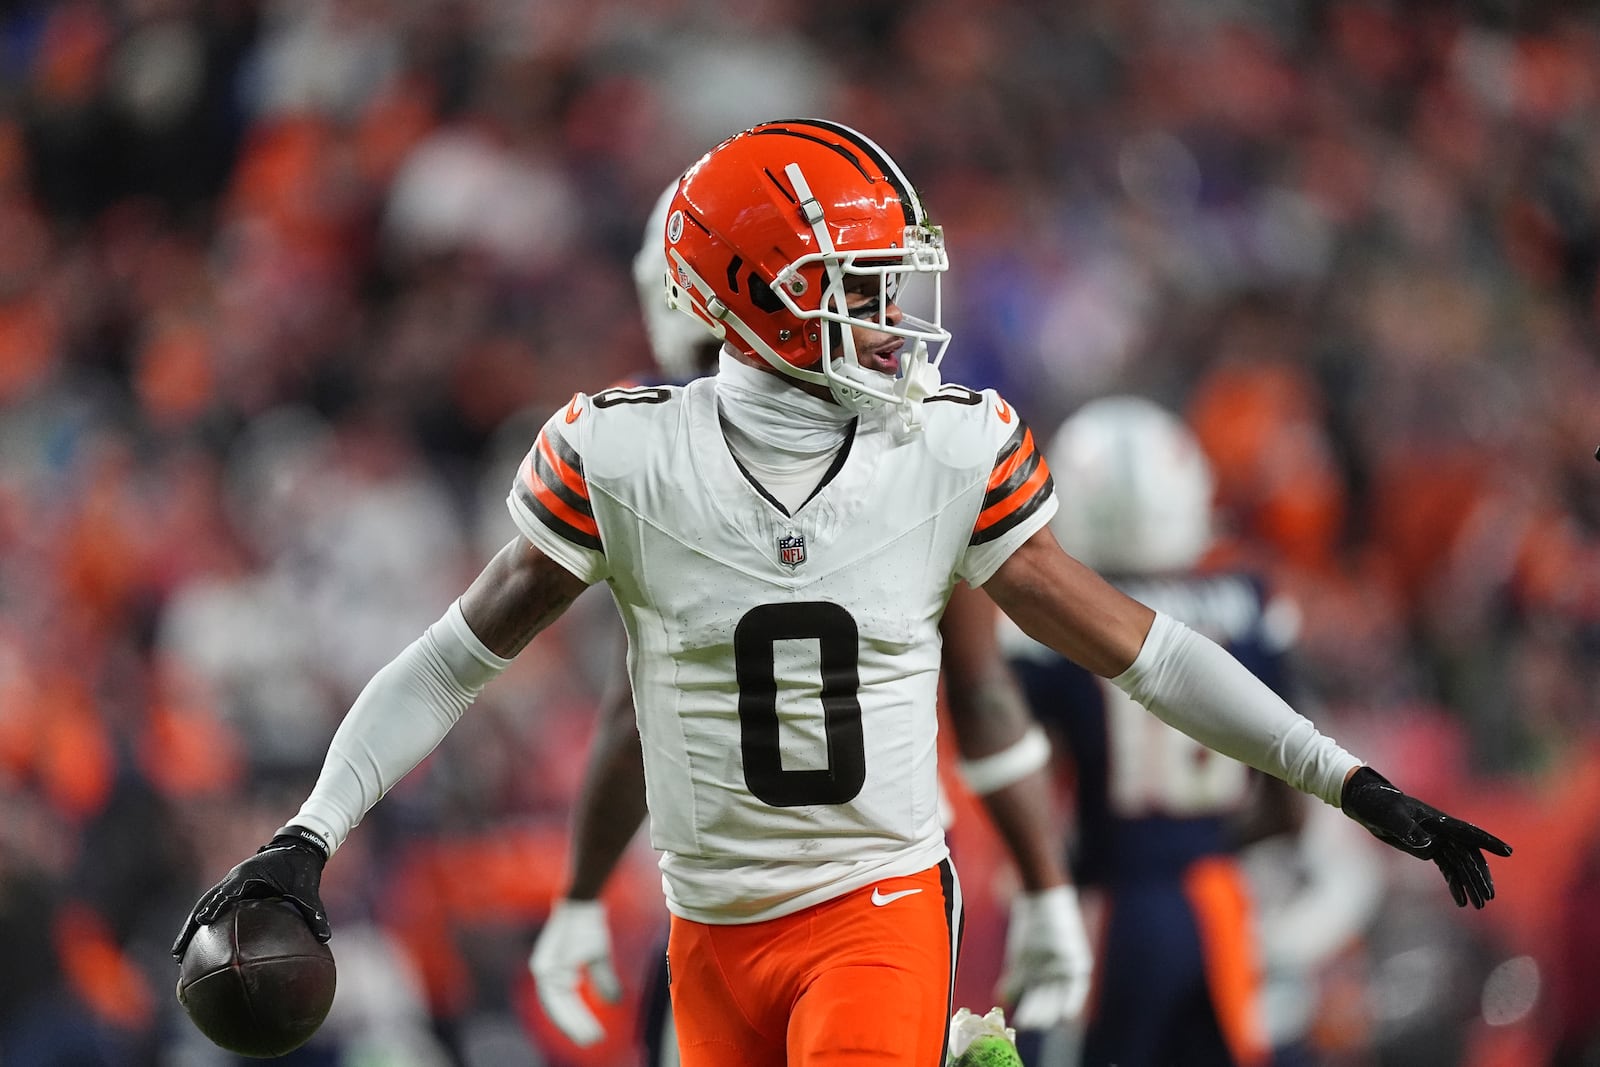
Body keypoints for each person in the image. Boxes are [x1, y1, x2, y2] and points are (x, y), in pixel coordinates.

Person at [172, 119, 1511, 1067]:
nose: (892, 321)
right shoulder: (624, 452)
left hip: (873, 904)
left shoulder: (948, 445)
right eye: (855, 292)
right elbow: (454, 659)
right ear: (752, 300)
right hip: (707, 927)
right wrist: (311, 827)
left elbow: (1141, 648)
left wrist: (1348, 776)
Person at [527, 184, 1090, 1063]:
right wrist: (1047, 886)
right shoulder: (914, 437)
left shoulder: (648, 451)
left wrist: (582, 893)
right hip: (857, 878)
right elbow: (981, 687)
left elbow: (629, 710)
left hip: (805, 886)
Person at [1000, 395, 1381, 1067]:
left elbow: (1024, 779)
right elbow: (1288, 794)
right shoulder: (1250, 602)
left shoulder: (1049, 623)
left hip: (1110, 911)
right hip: (1220, 907)